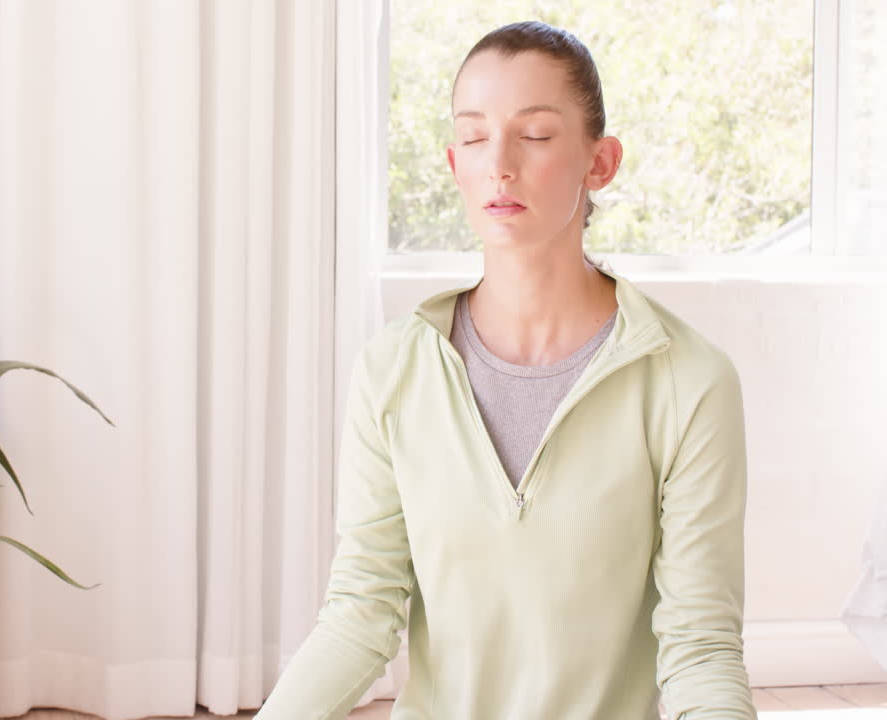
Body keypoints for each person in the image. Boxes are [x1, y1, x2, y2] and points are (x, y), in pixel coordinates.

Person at [256, 21, 755, 720]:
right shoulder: (394, 368)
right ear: (454, 163)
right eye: (473, 136)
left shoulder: (690, 381)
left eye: (537, 135)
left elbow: (701, 647)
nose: (500, 164)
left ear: (600, 162)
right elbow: (360, 614)